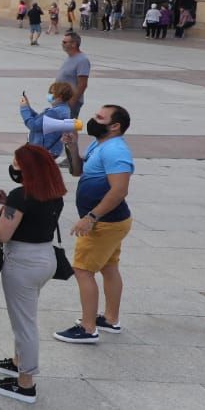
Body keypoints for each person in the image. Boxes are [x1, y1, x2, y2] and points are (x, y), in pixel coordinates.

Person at [0, 143, 67, 404]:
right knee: (25, 315)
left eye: (17, 163)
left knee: (24, 324)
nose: (13, 167)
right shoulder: (53, 192)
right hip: (45, 258)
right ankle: (18, 362)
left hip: (23, 262)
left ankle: (25, 383)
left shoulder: (21, 195)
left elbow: (3, 232)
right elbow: (30, 216)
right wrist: (7, 204)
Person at [55, 105, 135, 344]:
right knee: (109, 267)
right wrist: (71, 146)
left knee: (82, 270)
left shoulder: (116, 150)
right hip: (112, 221)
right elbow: (78, 171)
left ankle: (88, 328)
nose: (93, 119)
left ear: (115, 126)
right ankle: (110, 319)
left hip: (105, 223)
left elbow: (120, 190)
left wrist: (91, 217)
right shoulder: (99, 144)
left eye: (100, 117)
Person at [20, 82, 77, 160]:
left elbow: (34, 125)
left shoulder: (54, 112)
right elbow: (39, 119)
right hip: (52, 150)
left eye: (51, 93)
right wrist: (28, 107)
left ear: (59, 97)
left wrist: (24, 109)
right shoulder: (63, 109)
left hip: (43, 150)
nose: (49, 95)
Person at [55, 31, 92, 118]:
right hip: (61, 100)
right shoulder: (70, 57)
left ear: (74, 44)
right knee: (64, 129)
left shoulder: (82, 60)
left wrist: (72, 101)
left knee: (68, 128)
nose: (62, 44)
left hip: (69, 101)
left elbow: (82, 84)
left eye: (64, 42)